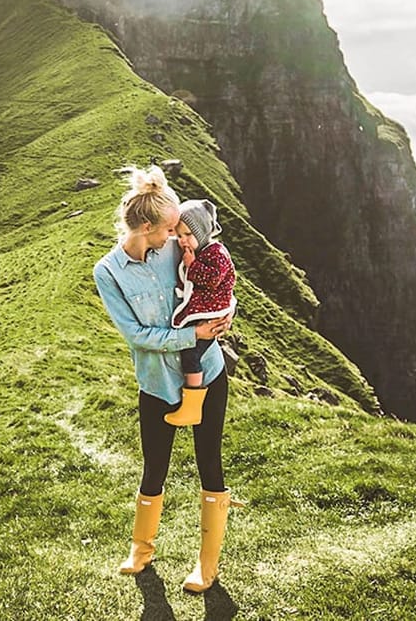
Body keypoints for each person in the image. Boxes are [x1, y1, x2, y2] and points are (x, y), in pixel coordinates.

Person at [92, 165, 239, 594]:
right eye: (169, 229)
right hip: (157, 382)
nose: (176, 236)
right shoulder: (109, 272)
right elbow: (136, 336)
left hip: (208, 372)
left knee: (209, 462)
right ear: (145, 228)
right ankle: (142, 549)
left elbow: (216, 273)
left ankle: (206, 565)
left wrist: (228, 312)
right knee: (154, 466)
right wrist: (191, 334)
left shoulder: (178, 246)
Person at [163, 199, 237, 427]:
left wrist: (192, 265)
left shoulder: (216, 253)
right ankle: (191, 401)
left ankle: (192, 406)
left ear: (202, 232)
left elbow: (213, 280)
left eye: (187, 234)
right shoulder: (202, 250)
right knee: (192, 350)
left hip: (210, 313)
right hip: (206, 311)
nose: (182, 240)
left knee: (191, 353)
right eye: (179, 235)